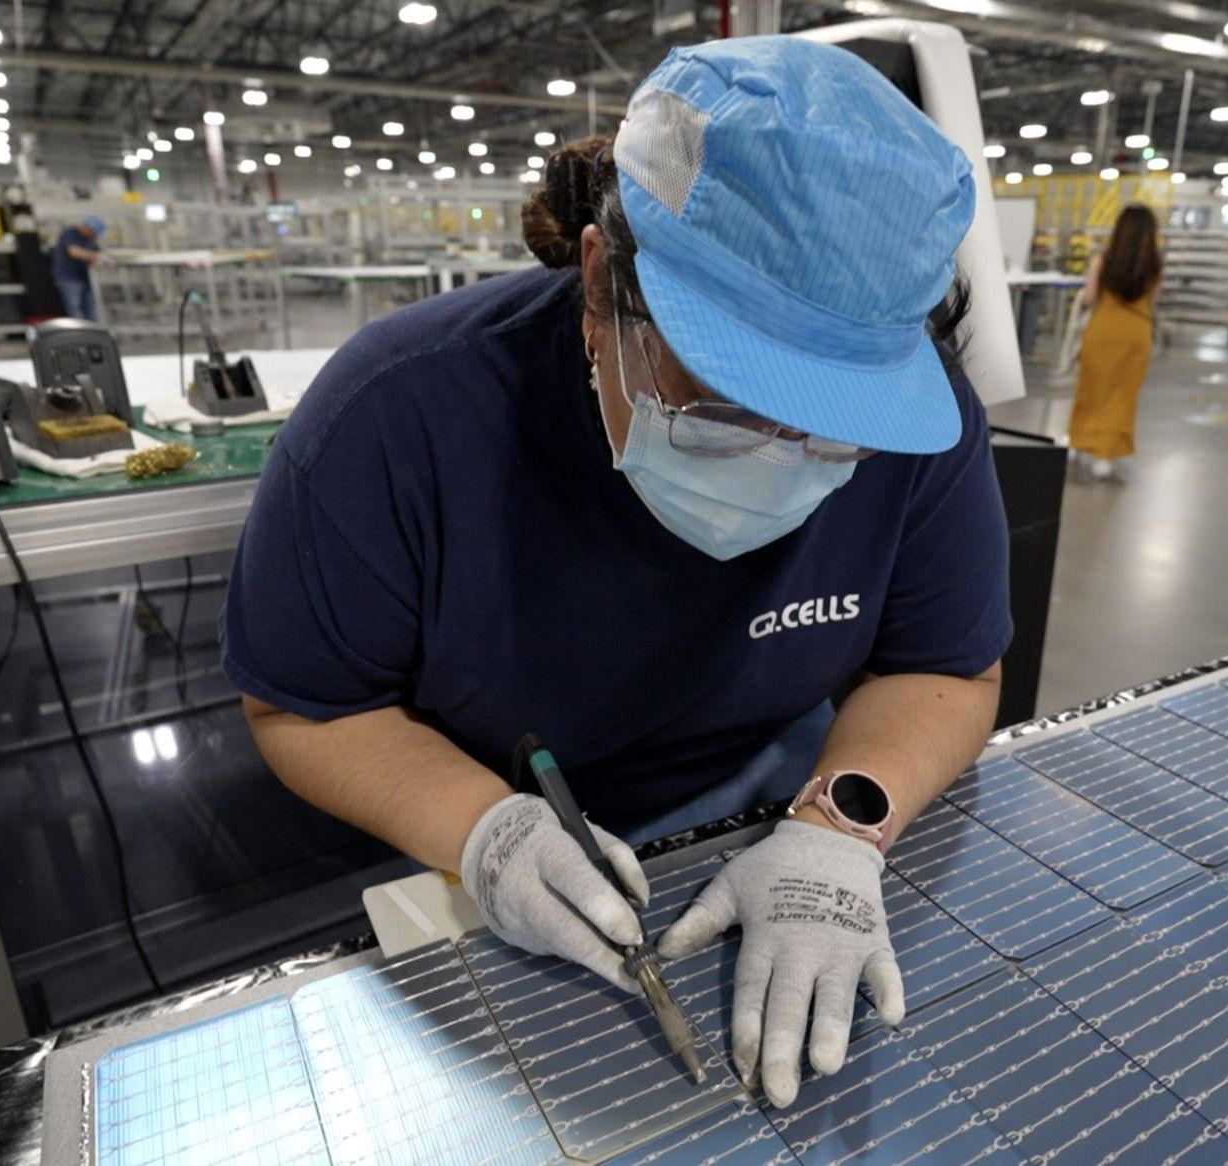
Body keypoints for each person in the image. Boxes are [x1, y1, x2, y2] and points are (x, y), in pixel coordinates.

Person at [220, 37, 1010, 1110]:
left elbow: (946, 667)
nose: (782, 450)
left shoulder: (925, 426)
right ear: (600, 281)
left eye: (835, 427)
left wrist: (835, 834)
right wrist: (480, 832)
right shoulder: (398, 415)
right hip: (468, 837)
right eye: (726, 399)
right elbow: (304, 704)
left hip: (769, 813)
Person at [1069, 204, 1164, 480]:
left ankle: (1079, 441)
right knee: (1122, 395)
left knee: (1090, 389)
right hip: (1136, 333)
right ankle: (1105, 455)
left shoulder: (1103, 260)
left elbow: (1089, 299)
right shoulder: (1154, 265)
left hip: (1103, 330)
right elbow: (1154, 302)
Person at [51, 215, 106, 321]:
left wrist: (100, 258)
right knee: (74, 307)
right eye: (93, 233)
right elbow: (74, 252)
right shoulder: (70, 233)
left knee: (90, 308)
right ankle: (80, 334)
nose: (94, 237)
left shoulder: (90, 240)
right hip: (68, 278)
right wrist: (96, 256)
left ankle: (93, 334)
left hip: (85, 278)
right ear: (87, 228)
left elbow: (97, 253)